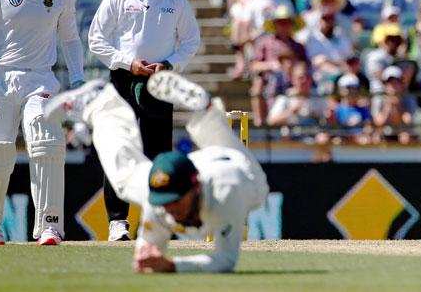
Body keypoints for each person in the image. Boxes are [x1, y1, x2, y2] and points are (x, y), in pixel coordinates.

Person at [43, 72, 268, 272]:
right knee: (124, 180)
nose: (169, 209)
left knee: (257, 185)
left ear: (195, 188)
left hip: (237, 168)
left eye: (175, 201)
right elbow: (149, 251)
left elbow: (225, 260)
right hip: (192, 166)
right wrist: (146, 256)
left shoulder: (228, 195)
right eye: (164, 201)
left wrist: (172, 266)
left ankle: (207, 113)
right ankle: (102, 103)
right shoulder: (159, 201)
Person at [88, 0, 201, 241]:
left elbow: (191, 41)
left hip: (159, 82)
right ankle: (117, 221)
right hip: (124, 80)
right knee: (120, 148)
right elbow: (97, 40)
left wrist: (170, 64)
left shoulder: (175, 0)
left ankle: (155, 219)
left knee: (157, 152)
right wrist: (127, 63)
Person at [0, 0, 85, 246]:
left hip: (41, 79)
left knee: (45, 140)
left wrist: (79, 81)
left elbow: (70, 40)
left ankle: (49, 225)